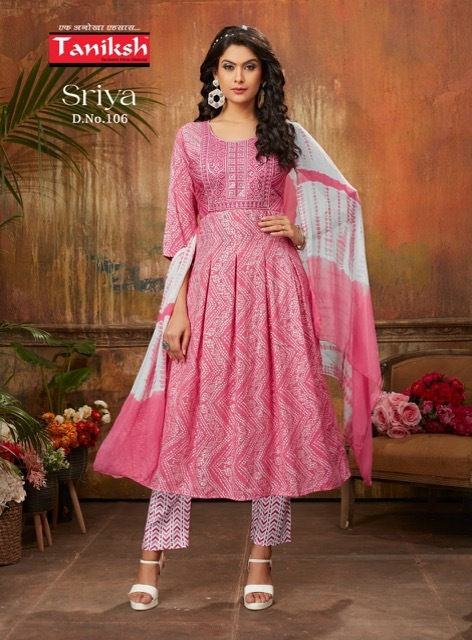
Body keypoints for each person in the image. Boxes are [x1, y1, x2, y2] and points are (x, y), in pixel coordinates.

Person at [94, 25, 381, 612]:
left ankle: (260, 560)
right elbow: (180, 230)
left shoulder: (284, 137)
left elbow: (343, 201)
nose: (239, 76)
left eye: (250, 66)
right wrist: (178, 309)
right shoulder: (191, 138)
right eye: (229, 66)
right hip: (208, 285)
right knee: (184, 419)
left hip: (275, 285)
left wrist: (299, 231)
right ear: (214, 75)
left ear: (264, 74)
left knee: (272, 416)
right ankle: (151, 557)